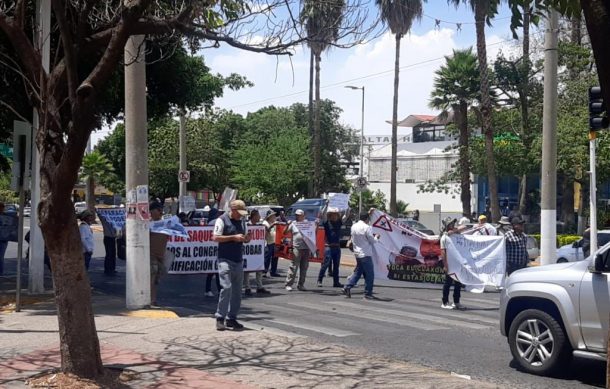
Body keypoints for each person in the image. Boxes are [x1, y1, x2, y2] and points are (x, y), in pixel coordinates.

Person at [213, 199, 251, 331]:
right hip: (224, 259)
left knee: (237, 291)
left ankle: (232, 318)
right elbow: (215, 237)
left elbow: (246, 239)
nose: (241, 215)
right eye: (239, 212)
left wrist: (246, 239)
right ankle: (220, 318)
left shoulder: (242, 222)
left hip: (238, 260)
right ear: (233, 210)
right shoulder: (221, 220)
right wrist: (233, 237)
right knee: (226, 287)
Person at [342, 212, 378, 299]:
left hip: (357, 253)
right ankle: (368, 293)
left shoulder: (354, 226)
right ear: (367, 219)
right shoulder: (367, 227)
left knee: (358, 272)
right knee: (370, 274)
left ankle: (347, 286)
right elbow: (372, 240)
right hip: (365, 253)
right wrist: (376, 237)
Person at [284, 209, 313, 291]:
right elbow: (284, 232)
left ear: (303, 216)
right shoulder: (293, 224)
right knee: (293, 267)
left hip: (306, 248)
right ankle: (288, 284)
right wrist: (287, 225)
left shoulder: (308, 224)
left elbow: (313, 234)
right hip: (296, 248)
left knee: (304, 267)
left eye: (299, 215)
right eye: (296, 215)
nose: (297, 216)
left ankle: (301, 284)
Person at [244, 209, 270, 295]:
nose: (259, 217)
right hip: (248, 250)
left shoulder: (260, 226)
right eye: (258, 216)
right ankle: (247, 287)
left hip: (257, 250)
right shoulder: (246, 225)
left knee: (259, 268)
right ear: (254, 216)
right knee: (247, 269)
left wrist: (265, 230)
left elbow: (264, 237)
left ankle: (260, 287)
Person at [440, 217, 463, 310]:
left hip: (457, 263)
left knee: (458, 283)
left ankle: (456, 302)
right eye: (450, 224)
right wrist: (445, 265)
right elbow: (443, 252)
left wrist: (454, 231)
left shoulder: (455, 234)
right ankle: (444, 302)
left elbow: (464, 227)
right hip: (449, 263)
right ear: (446, 226)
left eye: (453, 224)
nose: (452, 225)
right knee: (448, 283)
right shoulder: (444, 237)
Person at [317, 207, 344, 288]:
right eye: (332, 214)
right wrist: (327, 204)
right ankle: (319, 280)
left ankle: (336, 282)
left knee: (336, 266)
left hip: (337, 247)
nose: (334, 216)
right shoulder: (326, 222)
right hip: (328, 247)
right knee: (325, 264)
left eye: (336, 215)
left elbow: (347, 214)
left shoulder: (339, 222)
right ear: (330, 215)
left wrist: (346, 204)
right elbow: (323, 213)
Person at [149, 202, 169, 306]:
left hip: (160, 257)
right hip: (151, 256)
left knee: (155, 280)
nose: (161, 212)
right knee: (151, 278)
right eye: (158, 210)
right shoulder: (148, 225)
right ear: (152, 211)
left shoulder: (166, 224)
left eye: (161, 210)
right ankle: (151, 300)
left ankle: (153, 299)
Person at [99, 211, 118, 275]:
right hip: (107, 238)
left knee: (113, 254)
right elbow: (100, 216)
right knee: (109, 254)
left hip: (113, 238)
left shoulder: (114, 222)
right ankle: (107, 269)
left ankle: (112, 268)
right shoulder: (105, 222)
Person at [262, 210, 280, 277]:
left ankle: (273, 271)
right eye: (273, 215)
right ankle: (264, 271)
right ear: (269, 217)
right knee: (267, 257)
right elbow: (266, 231)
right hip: (268, 242)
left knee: (275, 257)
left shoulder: (274, 223)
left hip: (275, 242)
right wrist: (273, 225)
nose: (275, 217)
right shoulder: (265, 223)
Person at [0, 202, 9, 275]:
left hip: (3, 239)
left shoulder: (6, 216)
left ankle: (0, 272)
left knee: (1, 256)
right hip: (3, 239)